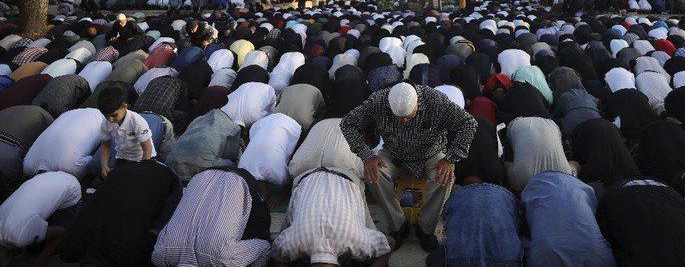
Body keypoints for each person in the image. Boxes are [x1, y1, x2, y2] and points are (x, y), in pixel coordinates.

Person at [340, 82, 477, 251]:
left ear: (418, 102)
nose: (403, 121)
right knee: (373, 173)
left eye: (408, 116)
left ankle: (426, 229)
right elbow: (347, 123)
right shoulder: (378, 101)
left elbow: (469, 123)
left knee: (445, 177)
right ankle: (398, 225)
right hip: (394, 154)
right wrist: (366, 155)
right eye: (398, 117)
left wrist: (451, 158)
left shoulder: (435, 101)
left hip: (430, 155)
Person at [273, 118, 393, 266]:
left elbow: (388, 244)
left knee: (369, 170)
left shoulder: (357, 241)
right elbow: (277, 253)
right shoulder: (291, 243)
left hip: (341, 160)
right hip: (309, 163)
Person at [58, 161, 182, 265]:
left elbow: (155, 233)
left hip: (156, 174)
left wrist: (154, 230)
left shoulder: (129, 254)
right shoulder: (68, 249)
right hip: (127, 170)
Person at [151, 168, 272, 267]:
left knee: (260, 235)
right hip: (200, 177)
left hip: (239, 179)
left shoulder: (225, 259)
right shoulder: (160, 255)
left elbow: (264, 247)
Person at [0, 171, 81, 267]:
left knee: (63, 237)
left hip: (70, 187)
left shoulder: (19, 237)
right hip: (45, 178)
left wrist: (38, 261)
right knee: (34, 246)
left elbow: (61, 232)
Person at [97, 84, 156, 178]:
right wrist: (104, 165)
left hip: (143, 157)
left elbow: (147, 148)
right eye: (106, 116)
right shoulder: (106, 123)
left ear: (124, 106)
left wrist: (142, 169)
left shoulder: (137, 122)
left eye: (114, 115)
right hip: (123, 157)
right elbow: (105, 145)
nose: (110, 120)